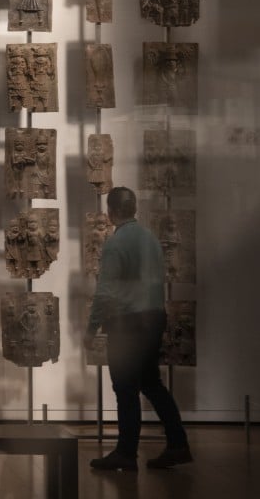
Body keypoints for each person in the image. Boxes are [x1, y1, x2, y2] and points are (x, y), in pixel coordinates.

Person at [84, 187, 191, 471]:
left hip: (128, 322)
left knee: (125, 388)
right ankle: (178, 443)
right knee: (151, 384)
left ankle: (126, 452)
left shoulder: (115, 243)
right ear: (133, 208)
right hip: (154, 317)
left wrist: (91, 327)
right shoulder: (151, 238)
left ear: (111, 211)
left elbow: (105, 291)